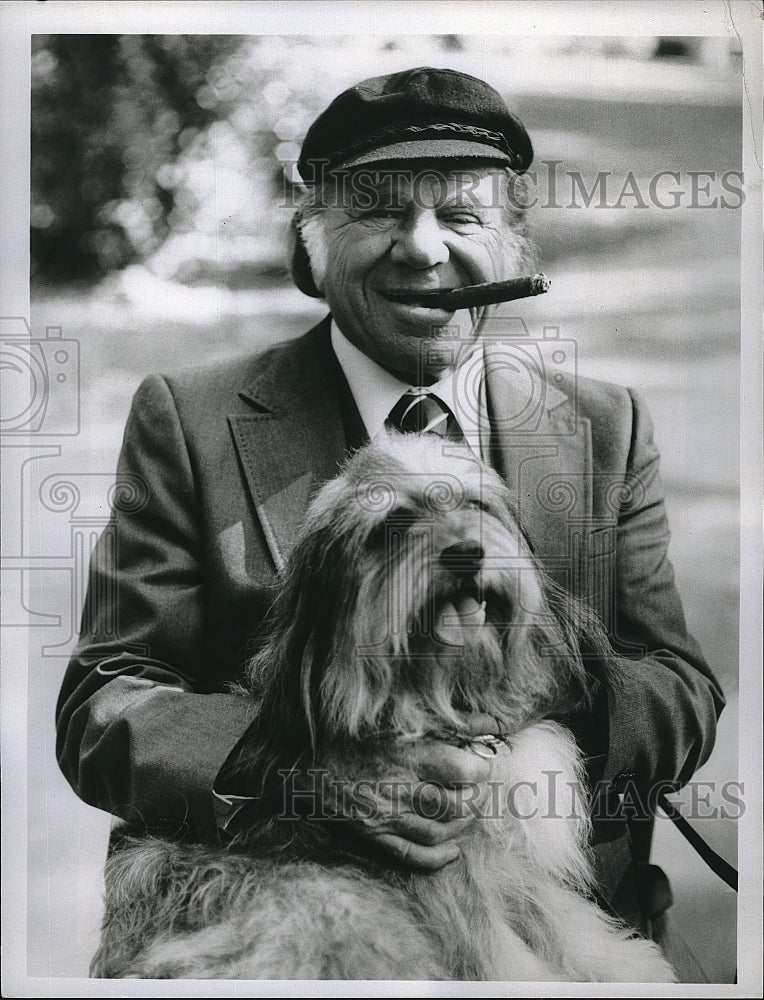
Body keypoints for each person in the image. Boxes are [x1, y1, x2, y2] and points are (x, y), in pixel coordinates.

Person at [55, 67, 724, 932]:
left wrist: (517, 750)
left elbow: (678, 686)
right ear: (314, 246)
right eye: (378, 210)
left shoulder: (602, 427)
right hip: (276, 922)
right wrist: (307, 771)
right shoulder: (191, 418)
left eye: (461, 214)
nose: (421, 247)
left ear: (515, 251)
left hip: (561, 928)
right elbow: (104, 701)